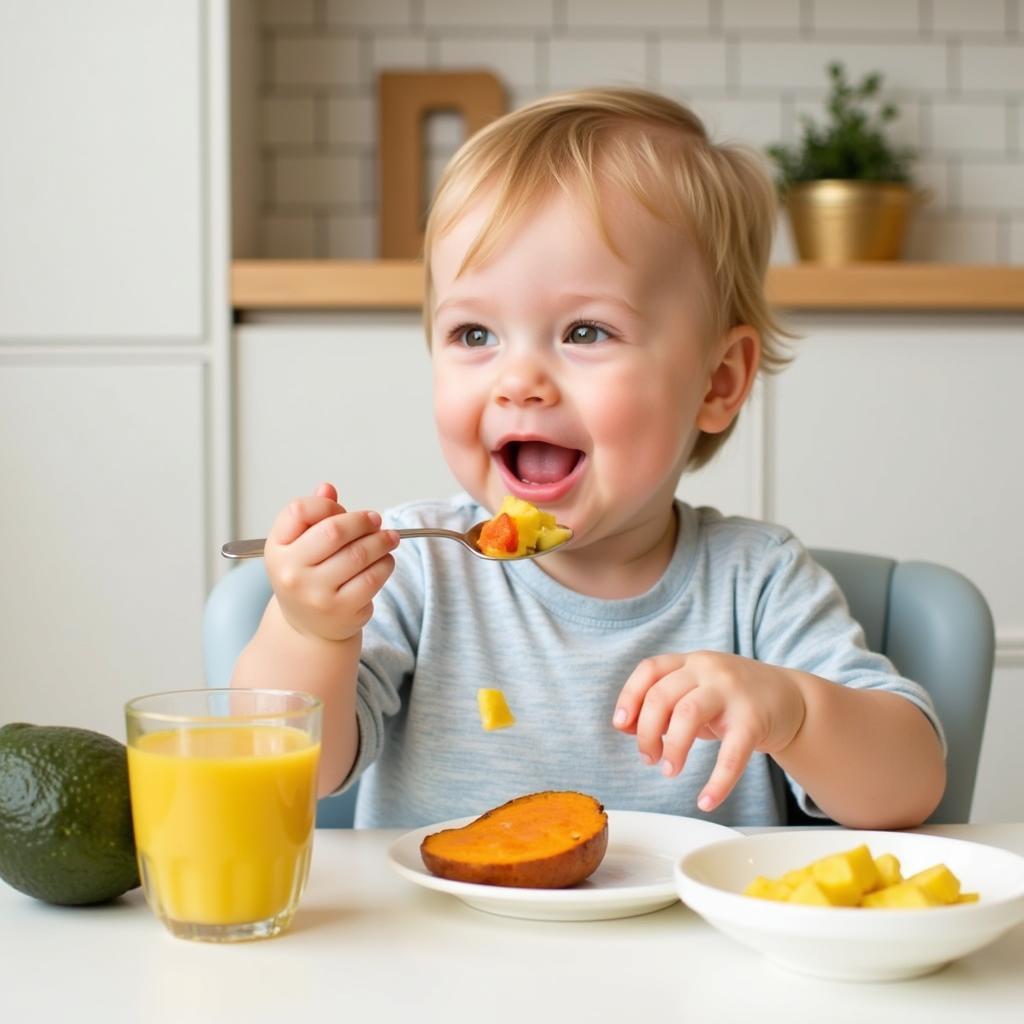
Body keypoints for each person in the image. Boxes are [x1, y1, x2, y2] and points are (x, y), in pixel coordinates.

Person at [232, 87, 946, 829]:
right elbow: (281, 764)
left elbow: (909, 788)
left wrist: (794, 712)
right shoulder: (419, 573)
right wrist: (311, 629)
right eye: (475, 335)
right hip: (443, 948)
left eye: (585, 332)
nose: (519, 382)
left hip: (689, 947)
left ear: (719, 381)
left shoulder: (755, 583)